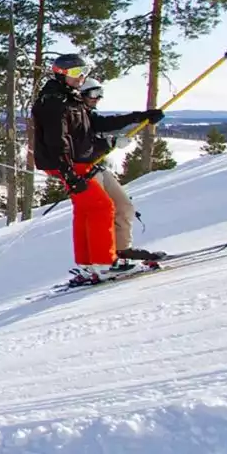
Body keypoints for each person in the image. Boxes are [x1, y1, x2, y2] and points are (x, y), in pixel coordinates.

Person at [32, 55, 164, 284]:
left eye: (82, 71)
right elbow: (57, 141)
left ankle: (90, 262)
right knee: (102, 207)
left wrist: (140, 117)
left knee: (89, 211)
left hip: (79, 163)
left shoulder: (70, 98)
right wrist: (69, 173)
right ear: (61, 74)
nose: (81, 77)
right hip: (70, 165)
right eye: (75, 73)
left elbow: (98, 124)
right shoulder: (54, 101)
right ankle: (104, 263)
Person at [78, 79, 163, 264]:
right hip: (84, 171)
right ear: (80, 94)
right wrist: (109, 143)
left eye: (100, 93)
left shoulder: (88, 115)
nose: (98, 98)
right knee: (102, 212)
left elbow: (109, 123)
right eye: (93, 93)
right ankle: (104, 257)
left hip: (96, 167)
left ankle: (123, 250)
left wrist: (141, 117)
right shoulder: (74, 115)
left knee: (124, 206)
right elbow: (80, 145)